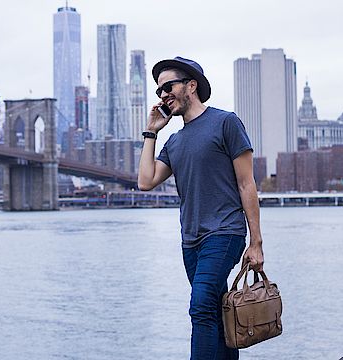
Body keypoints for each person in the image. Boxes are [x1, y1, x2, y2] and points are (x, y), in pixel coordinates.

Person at [137, 56, 264, 360]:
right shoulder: (174, 142)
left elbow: (247, 184)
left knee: (201, 306)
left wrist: (256, 242)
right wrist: (152, 131)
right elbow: (145, 181)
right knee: (218, 313)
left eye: (169, 86)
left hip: (225, 233)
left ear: (191, 85)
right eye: (159, 91)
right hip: (190, 242)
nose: (163, 94)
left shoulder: (225, 122)